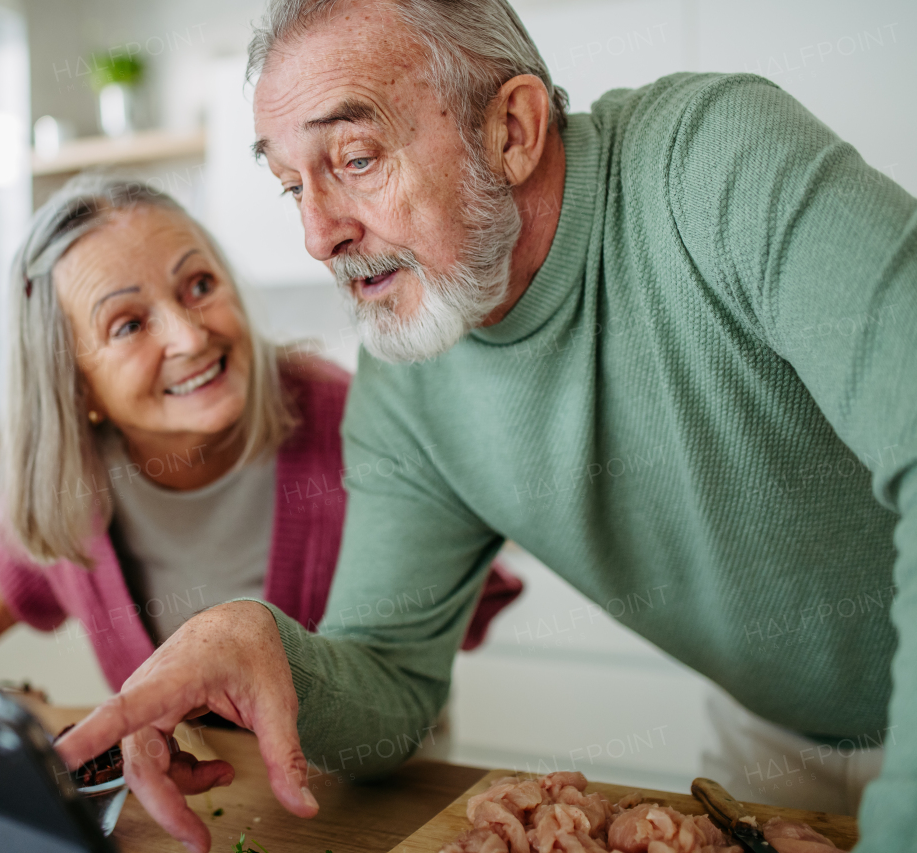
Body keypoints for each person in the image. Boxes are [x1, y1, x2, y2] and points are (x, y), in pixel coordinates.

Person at [55, 2, 917, 852]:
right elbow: (391, 681)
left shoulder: (716, 159)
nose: (319, 235)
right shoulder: (405, 376)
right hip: (775, 727)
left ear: (512, 130)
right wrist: (264, 641)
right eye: (292, 186)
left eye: (355, 158)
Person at [0, 175, 521, 700]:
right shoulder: (71, 484)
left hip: (365, 788)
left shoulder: (341, 418)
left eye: (200, 286)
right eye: (128, 325)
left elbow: (456, 570)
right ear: (71, 381)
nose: (189, 336)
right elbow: (29, 569)